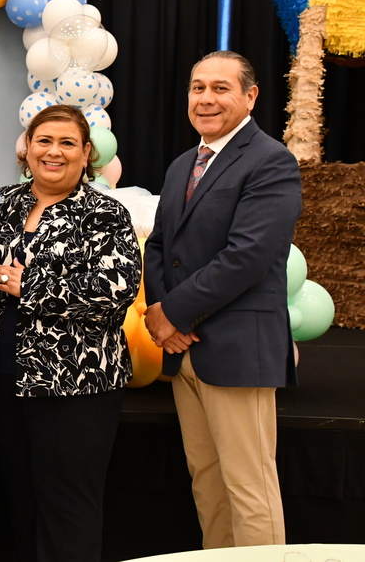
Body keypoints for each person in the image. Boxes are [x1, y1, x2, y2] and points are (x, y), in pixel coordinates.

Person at [144, 50, 301, 549]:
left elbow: (246, 258)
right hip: (182, 352)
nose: (206, 98)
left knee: (249, 489)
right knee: (207, 485)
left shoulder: (271, 161)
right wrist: (162, 318)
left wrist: (171, 313)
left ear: (250, 96)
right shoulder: (179, 167)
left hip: (237, 351)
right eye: (198, 88)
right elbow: (159, 246)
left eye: (220, 88)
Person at [0, 104, 141, 562]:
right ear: (26, 149)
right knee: (13, 507)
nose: (54, 151)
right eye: (43, 141)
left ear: (86, 154)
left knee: (69, 511)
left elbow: (116, 290)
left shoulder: (105, 213)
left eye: (67, 143)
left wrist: (30, 286)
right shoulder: (1, 205)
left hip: (76, 390)